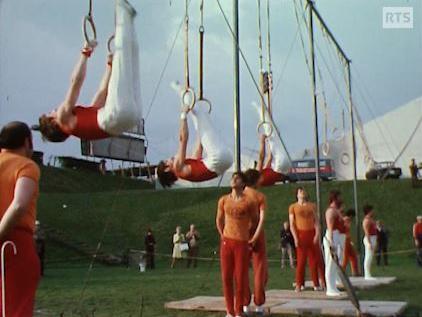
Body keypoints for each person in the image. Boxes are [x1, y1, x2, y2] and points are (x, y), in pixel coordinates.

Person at [37, 0, 141, 142]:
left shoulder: (82, 124)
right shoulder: (63, 117)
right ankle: (121, 8)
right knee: (123, 58)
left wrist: (110, 66)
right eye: (52, 112)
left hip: (131, 118)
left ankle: (128, 19)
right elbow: (76, 83)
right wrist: (85, 53)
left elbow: (102, 91)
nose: (55, 109)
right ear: (54, 122)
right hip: (114, 115)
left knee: (130, 61)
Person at [0, 121, 41, 316]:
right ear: (27, 141)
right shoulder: (26, 165)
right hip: (15, 244)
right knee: (16, 308)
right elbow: (19, 204)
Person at [156, 85, 233, 187]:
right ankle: (183, 93)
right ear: (167, 169)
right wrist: (183, 115)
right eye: (167, 161)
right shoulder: (177, 167)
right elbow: (183, 139)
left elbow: (198, 150)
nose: (171, 159)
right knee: (198, 113)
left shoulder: (184, 170)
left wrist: (200, 129)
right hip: (217, 159)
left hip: (226, 161)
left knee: (200, 118)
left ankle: (186, 95)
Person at [216, 172, 256, 317]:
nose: (233, 180)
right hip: (227, 241)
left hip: (242, 243)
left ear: (242, 183)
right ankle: (229, 310)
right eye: (233, 178)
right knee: (226, 277)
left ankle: (238, 310)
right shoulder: (224, 200)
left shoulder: (249, 202)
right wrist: (223, 235)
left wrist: (247, 234)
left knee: (240, 277)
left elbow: (255, 220)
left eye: (237, 178)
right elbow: (219, 220)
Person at [242, 169, 267, 316]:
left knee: (242, 269)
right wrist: (256, 235)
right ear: (256, 180)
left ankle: (245, 303)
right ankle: (258, 304)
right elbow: (262, 218)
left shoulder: (240, 195)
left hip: (241, 233)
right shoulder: (259, 196)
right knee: (259, 269)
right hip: (256, 232)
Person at [289, 187, 323, 292]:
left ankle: (316, 283)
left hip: (311, 233)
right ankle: (299, 284)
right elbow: (292, 224)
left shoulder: (312, 206)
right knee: (301, 261)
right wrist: (295, 237)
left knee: (314, 260)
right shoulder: (293, 207)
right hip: (301, 234)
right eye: (300, 191)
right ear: (297, 194)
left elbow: (316, 221)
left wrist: (317, 234)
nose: (302, 193)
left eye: (303, 191)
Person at [323, 190, 343, 296]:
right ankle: (329, 288)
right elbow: (330, 227)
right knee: (330, 263)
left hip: (337, 235)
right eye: (339, 197)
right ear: (335, 198)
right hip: (332, 236)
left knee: (335, 262)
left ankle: (334, 285)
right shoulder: (331, 211)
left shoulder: (336, 210)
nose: (341, 199)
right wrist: (331, 242)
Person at [342, 209, 360, 276]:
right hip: (345, 240)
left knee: (353, 256)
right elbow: (345, 230)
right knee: (345, 257)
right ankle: (342, 272)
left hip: (348, 240)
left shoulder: (347, 220)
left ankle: (355, 272)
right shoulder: (346, 220)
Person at [362, 204, 377, 280]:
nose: (373, 212)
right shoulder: (367, 221)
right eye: (372, 210)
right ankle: (367, 274)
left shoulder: (371, 219)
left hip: (373, 238)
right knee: (368, 256)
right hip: (369, 239)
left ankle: (368, 273)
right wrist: (369, 243)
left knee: (370, 257)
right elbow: (366, 232)